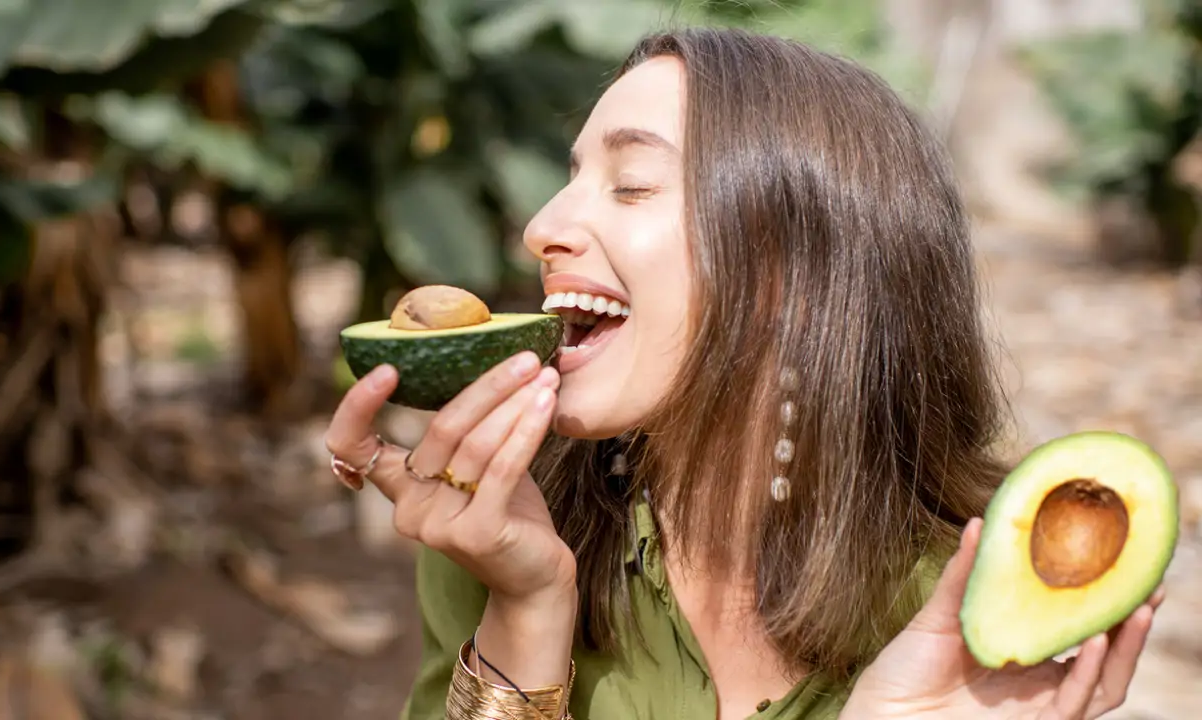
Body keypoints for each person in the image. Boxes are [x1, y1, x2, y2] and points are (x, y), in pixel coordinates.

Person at [324, 26, 1163, 720]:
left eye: (632, 183)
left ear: (795, 277)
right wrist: (527, 611)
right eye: (568, 177)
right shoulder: (500, 533)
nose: (543, 225)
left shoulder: (973, 595)